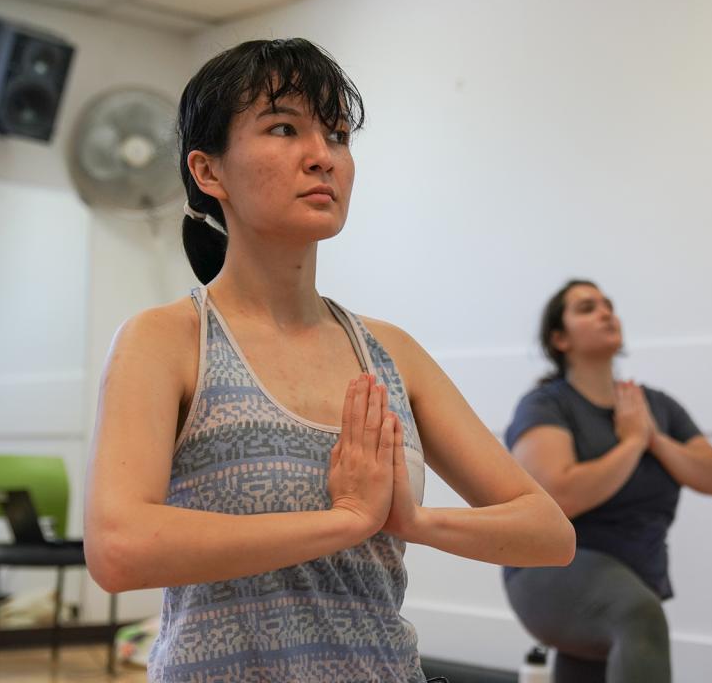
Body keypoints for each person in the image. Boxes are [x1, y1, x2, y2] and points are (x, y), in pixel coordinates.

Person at [82, 38, 574, 682]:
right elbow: (119, 549)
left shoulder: (390, 352)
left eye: (338, 136)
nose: (322, 158)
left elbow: (548, 532)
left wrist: (413, 522)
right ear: (209, 172)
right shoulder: (165, 340)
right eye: (284, 128)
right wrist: (340, 522)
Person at [503, 280, 712, 683]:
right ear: (560, 338)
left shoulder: (654, 406)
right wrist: (630, 444)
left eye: (608, 305)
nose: (606, 313)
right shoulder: (545, 406)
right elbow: (557, 497)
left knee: (612, 640)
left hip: (633, 573)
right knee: (638, 614)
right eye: (587, 308)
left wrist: (655, 438)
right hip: (550, 570)